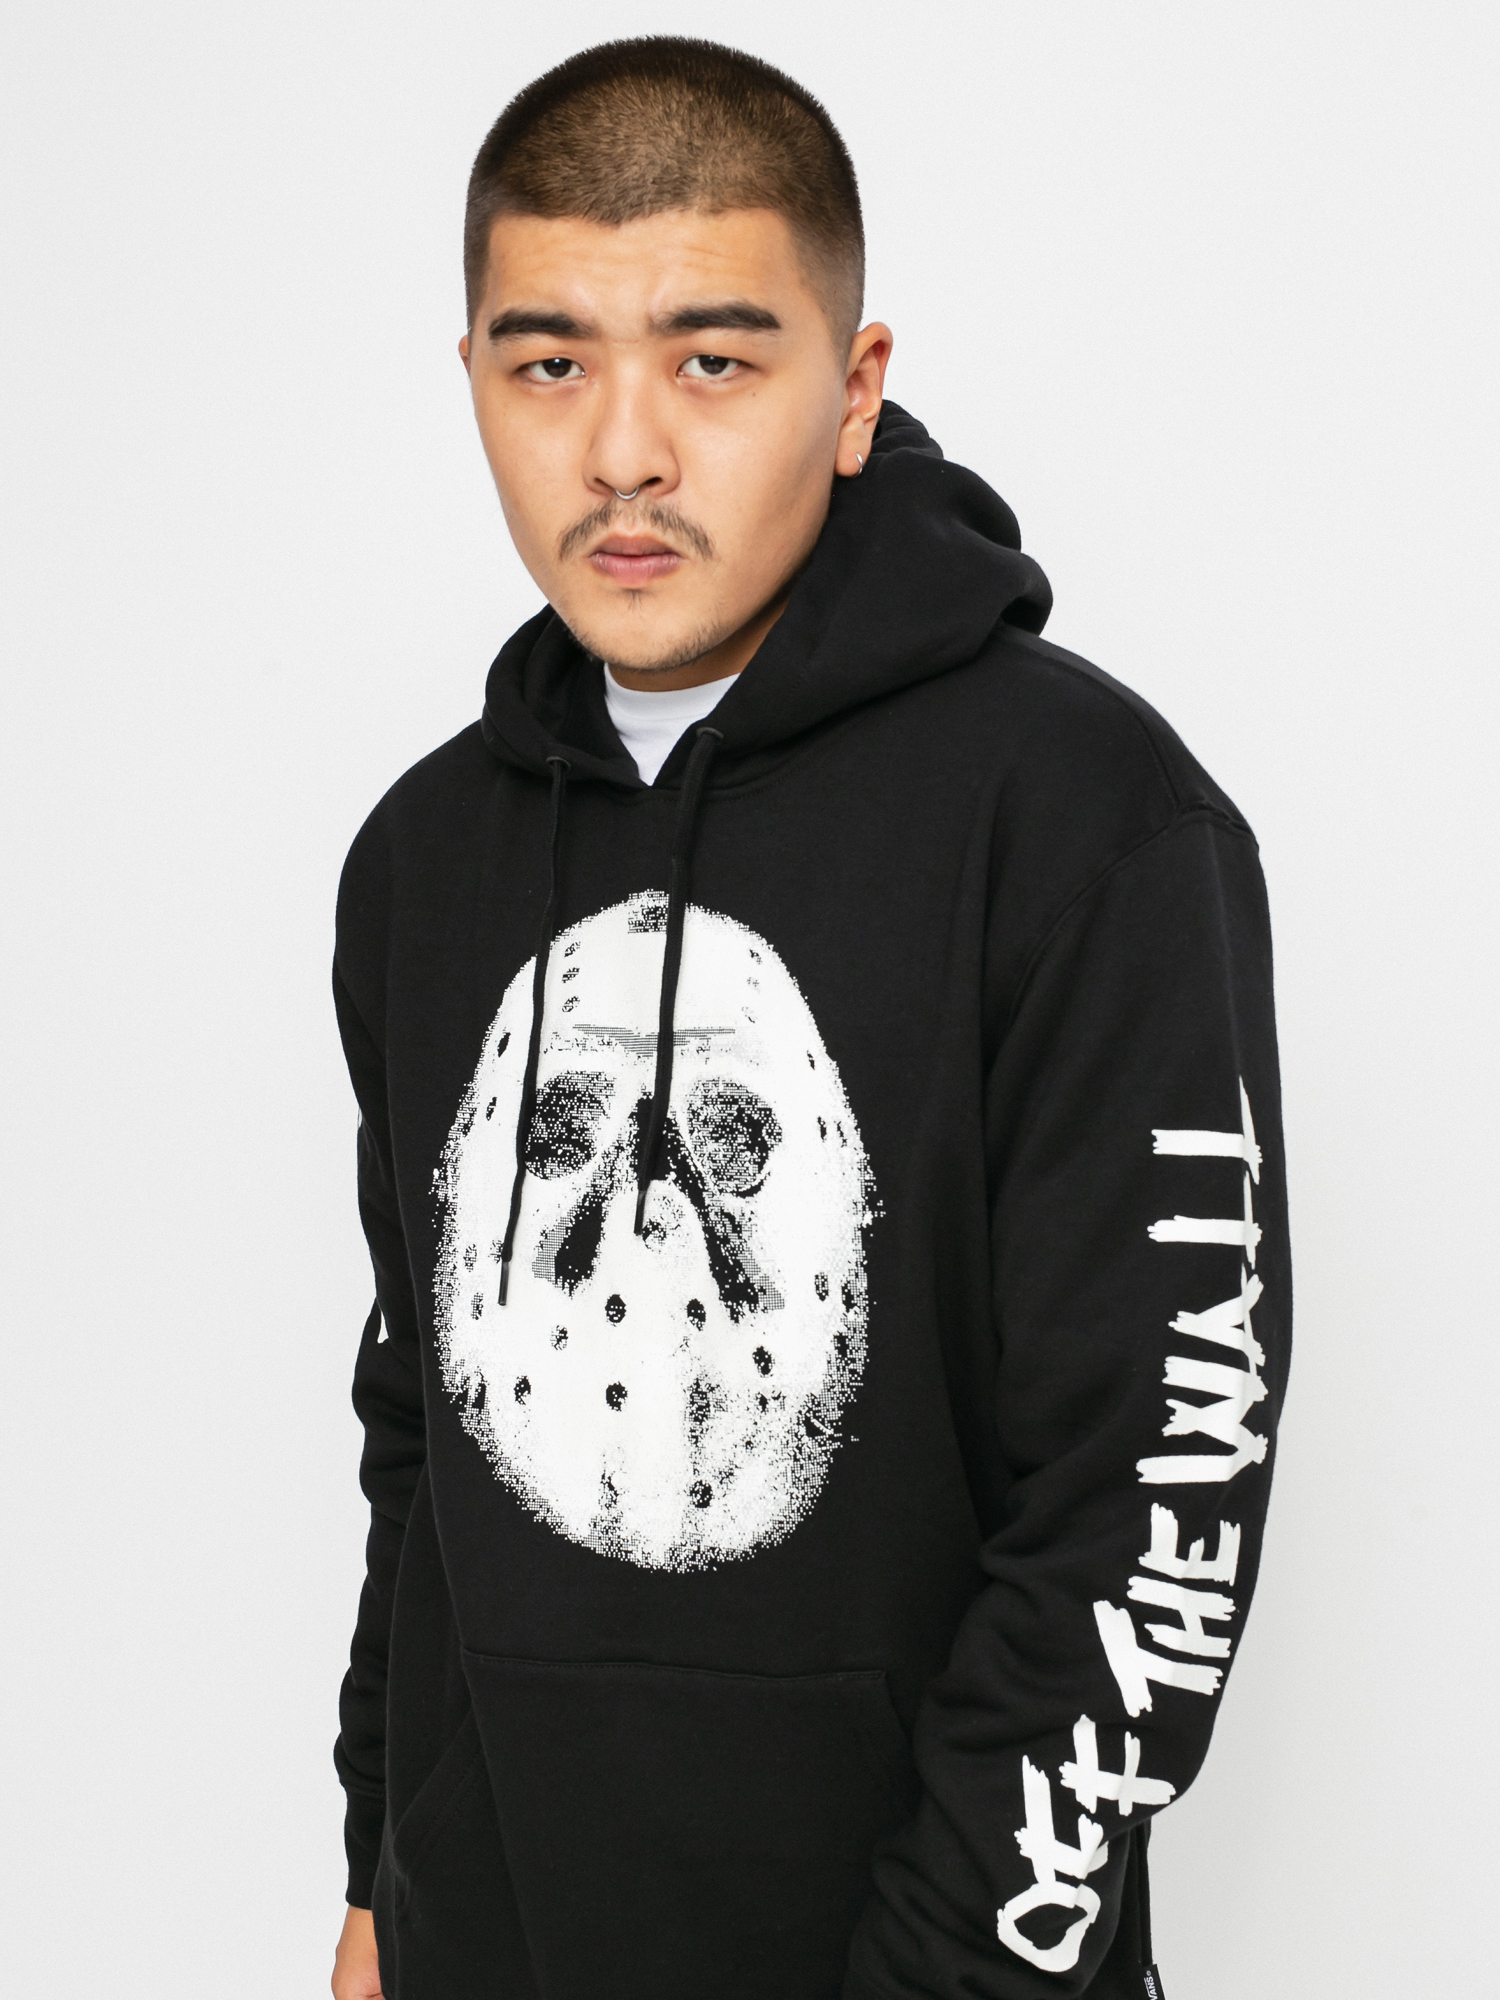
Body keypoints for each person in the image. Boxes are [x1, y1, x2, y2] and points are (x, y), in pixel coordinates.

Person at [329, 35, 1289, 2000]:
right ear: (472, 380)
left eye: (712, 360)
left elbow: (1147, 1496)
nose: (622, 452)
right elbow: (420, 1424)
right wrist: (377, 1876)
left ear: (852, 393)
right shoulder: (422, 861)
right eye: (547, 363)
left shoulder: (1088, 820)